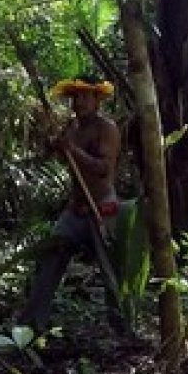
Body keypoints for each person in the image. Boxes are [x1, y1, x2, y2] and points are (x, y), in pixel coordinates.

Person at [17, 74, 129, 336]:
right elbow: (62, 158)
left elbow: (103, 169)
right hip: (75, 209)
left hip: (102, 207)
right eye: (75, 97)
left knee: (111, 270)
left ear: (97, 99)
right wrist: (55, 146)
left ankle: (123, 329)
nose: (79, 101)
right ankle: (30, 326)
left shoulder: (106, 129)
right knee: (50, 260)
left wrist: (73, 150)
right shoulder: (71, 128)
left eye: (85, 96)